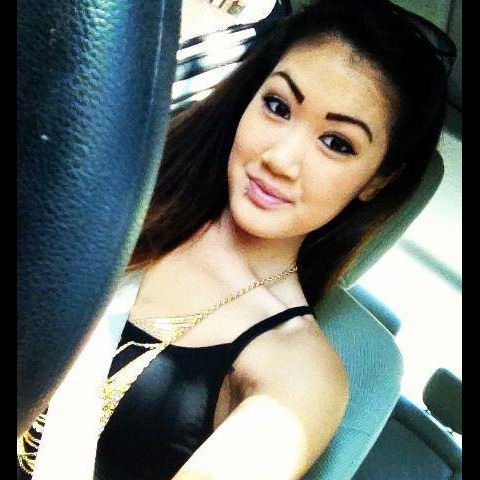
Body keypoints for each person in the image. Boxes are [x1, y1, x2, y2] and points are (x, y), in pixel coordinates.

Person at [17, 0, 450, 479]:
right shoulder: (111, 197)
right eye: (277, 106)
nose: (280, 159)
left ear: (379, 180)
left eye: (336, 143)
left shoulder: (299, 371)